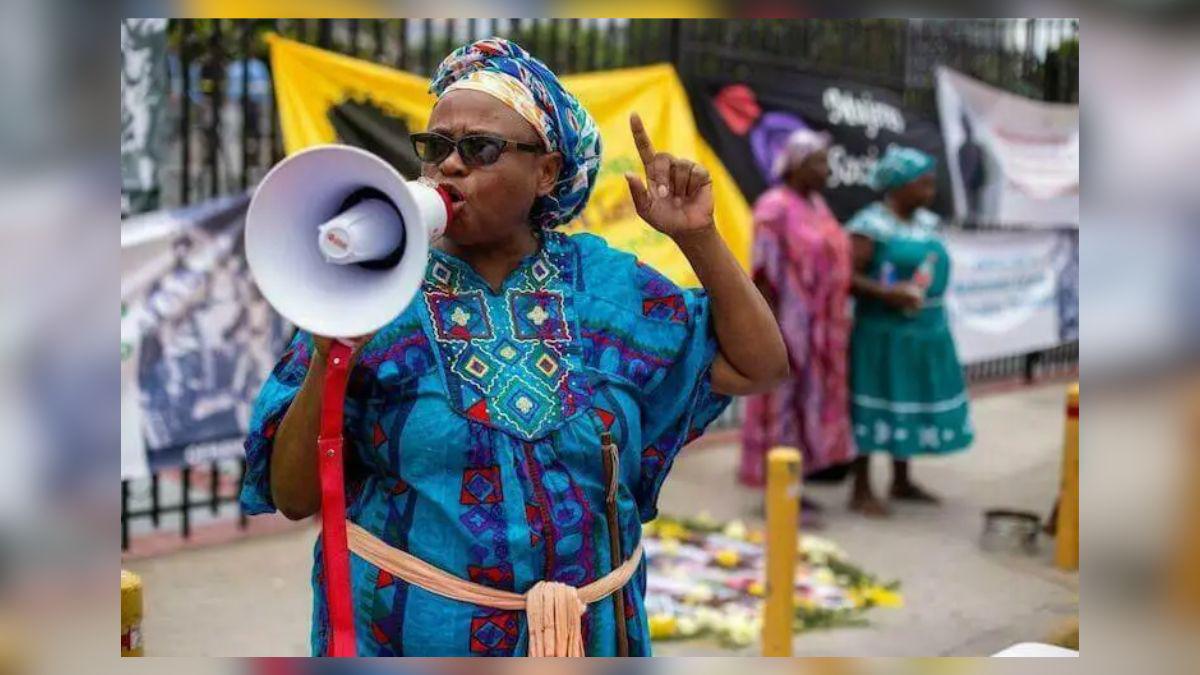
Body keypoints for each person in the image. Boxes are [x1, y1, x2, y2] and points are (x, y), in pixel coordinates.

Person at [240, 38, 788, 657]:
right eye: (436, 147)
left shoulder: (609, 287)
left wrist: (701, 239)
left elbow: (761, 365)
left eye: (479, 148)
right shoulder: (371, 288)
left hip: (588, 637)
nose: (449, 166)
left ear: (546, 171)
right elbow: (293, 497)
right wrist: (326, 356)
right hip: (410, 639)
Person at [845, 145, 973, 516]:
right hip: (881, 334)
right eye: (922, 184)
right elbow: (847, 277)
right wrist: (888, 293)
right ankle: (861, 486)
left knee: (907, 402)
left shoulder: (928, 223)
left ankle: (901, 480)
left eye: (931, 184)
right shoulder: (869, 225)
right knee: (874, 402)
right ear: (898, 185)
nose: (930, 191)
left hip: (925, 332)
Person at [739, 129, 855, 525]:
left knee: (809, 408)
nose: (826, 171)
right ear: (797, 165)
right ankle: (778, 494)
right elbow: (762, 275)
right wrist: (770, 333)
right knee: (782, 409)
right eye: (818, 162)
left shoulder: (817, 205)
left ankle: (796, 487)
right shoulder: (774, 208)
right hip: (788, 329)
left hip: (823, 331)